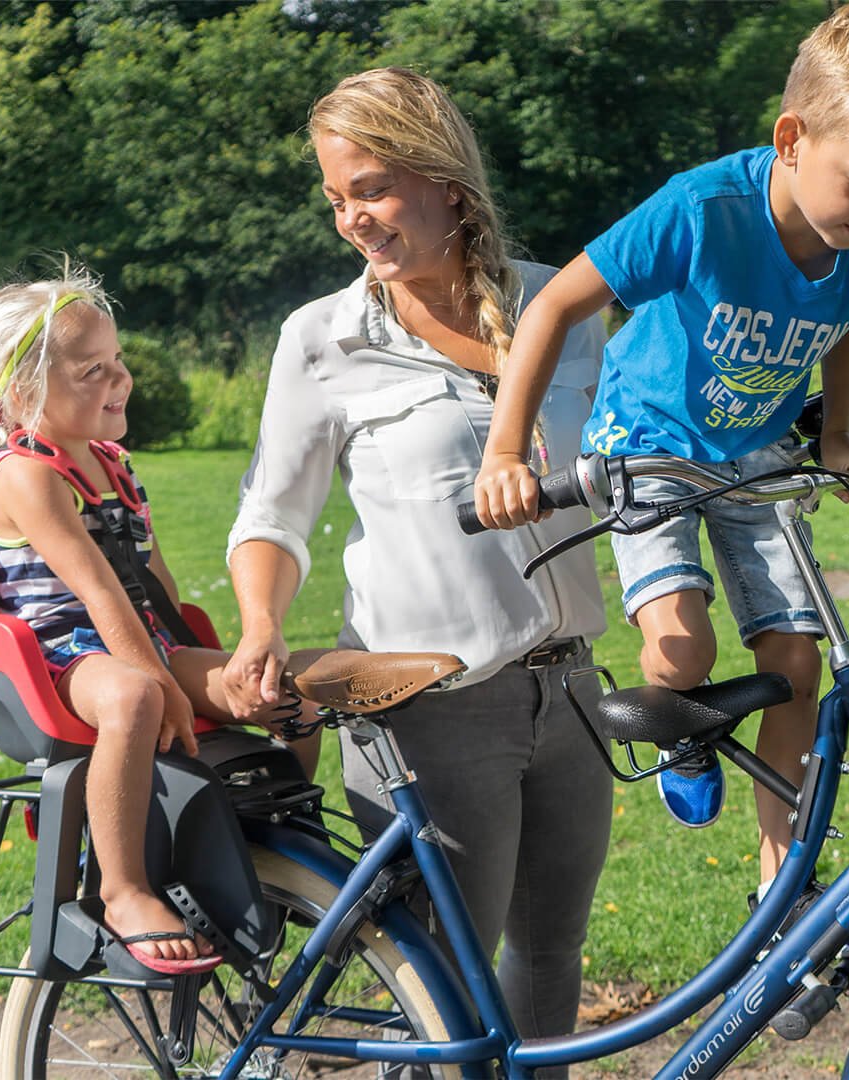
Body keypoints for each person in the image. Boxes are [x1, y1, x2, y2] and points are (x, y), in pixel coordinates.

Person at [471, 3, 849, 948]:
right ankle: (685, 725)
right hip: (647, 437)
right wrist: (505, 448)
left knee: (800, 661)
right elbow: (556, 305)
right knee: (684, 653)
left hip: (760, 450)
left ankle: (786, 893)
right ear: (791, 139)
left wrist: (840, 431)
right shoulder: (702, 211)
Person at [218, 68, 610, 1063]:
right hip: (432, 707)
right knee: (443, 982)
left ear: (446, 181)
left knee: (551, 954)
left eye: (375, 189)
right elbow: (273, 513)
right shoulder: (323, 339)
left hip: (570, 694)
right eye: (338, 198)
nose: (355, 219)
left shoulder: (562, 311)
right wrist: (262, 625)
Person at [0, 270, 328, 977]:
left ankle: (272, 848)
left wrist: (223, 672)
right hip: (63, 658)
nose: (122, 379)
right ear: (24, 392)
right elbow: (100, 594)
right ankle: (123, 889)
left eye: (119, 361)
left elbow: (154, 588)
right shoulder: (28, 475)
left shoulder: (114, 463)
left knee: (296, 690)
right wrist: (163, 683)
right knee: (136, 697)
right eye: (93, 371)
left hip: (145, 641)